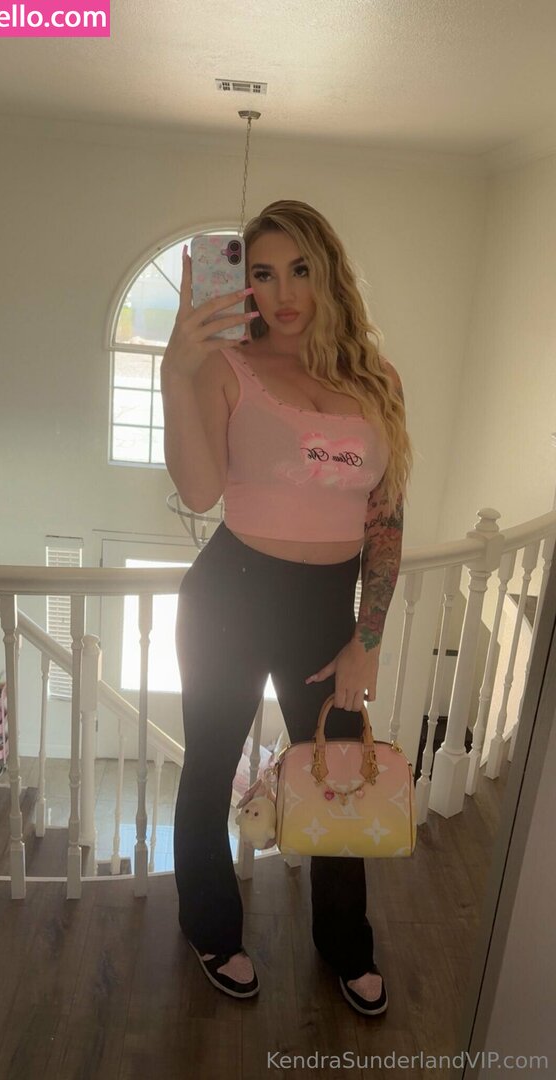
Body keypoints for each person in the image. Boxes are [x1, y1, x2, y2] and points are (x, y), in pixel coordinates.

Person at [160, 200, 413, 1016]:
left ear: (328, 269)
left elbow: (386, 520)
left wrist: (366, 639)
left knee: (337, 772)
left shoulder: (375, 380)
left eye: (299, 269)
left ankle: (345, 944)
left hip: (324, 605)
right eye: (263, 274)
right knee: (210, 765)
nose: (284, 293)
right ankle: (211, 929)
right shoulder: (226, 367)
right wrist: (175, 371)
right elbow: (200, 491)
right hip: (230, 592)